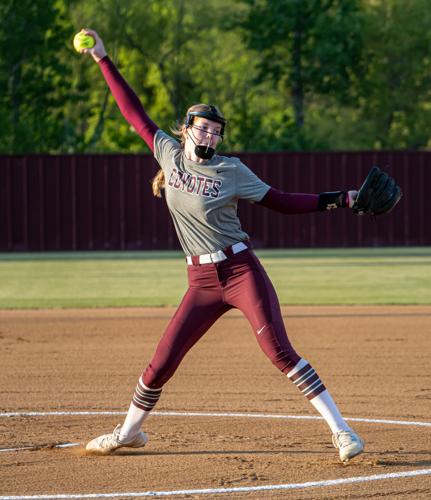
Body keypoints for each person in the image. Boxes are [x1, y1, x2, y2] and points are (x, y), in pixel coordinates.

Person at [78, 29, 364, 462]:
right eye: (204, 129)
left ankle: (342, 432)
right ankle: (128, 434)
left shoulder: (232, 170)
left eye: (216, 132)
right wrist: (102, 58)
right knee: (161, 361)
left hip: (239, 271)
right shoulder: (168, 155)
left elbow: (281, 202)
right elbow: (132, 112)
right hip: (200, 281)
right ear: (188, 130)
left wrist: (339, 199)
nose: (210, 137)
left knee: (278, 351)